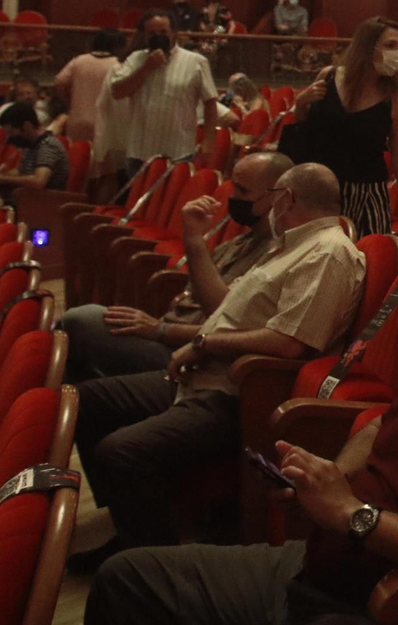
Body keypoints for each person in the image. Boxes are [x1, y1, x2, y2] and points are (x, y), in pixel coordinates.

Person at [83, 202, 398, 623]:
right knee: (124, 579)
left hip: (377, 601)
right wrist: (332, 480)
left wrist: (354, 515)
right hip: (319, 564)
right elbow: (382, 423)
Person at [72, 163, 363, 562]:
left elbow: (289, 343)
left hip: (238, 393)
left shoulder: (329, 252)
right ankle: (128, 524)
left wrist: (204, 343)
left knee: (119, 452)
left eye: (272, 196)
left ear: (287, 198)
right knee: (84, 401)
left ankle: (153, 568)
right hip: (204, 376)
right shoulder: (291, 245)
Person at [59, 152, 290, 383]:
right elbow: (194, 297)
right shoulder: (240, 242)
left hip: (192, 357)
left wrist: (159, 329)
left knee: (80, 320)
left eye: (243, 191)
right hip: (169, 333)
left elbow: (228, 324)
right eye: (233, 188)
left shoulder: (278, 258)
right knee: (75, 336)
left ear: (276, 197)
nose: (233, 197)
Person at [281, 18, 398, 236]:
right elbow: (305, 128)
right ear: (367, 46)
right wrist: (300, 103)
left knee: (366, 251)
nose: (397, 53)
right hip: (319, 187)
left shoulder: (395, 97)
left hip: (365, 193)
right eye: (390, 45)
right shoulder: (328, 76)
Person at [110, 10, 217, 173]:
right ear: (144, 35)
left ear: (173, 32)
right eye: (152, 33)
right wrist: (147, 68)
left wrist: (208, 142)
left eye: (163, 32)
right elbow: (117, 92)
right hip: (139, 152)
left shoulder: (196, 61)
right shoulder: (135, 59)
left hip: (178, 151)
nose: (158, 36)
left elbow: (210, 103)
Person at [0, 101, 70, 203]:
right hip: (27, 198)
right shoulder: (32, 145)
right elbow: (22, 171)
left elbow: (38, 181)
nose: (9, 137)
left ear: (27, 126)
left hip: (42, 204)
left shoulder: (47, 145)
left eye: (11, 132)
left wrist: (1, 178)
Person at [53, 27, 125, 144]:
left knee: (76, 153)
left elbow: (59, 82)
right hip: (106, 123)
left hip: (77, 120)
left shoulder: (79, 60)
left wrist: (69, 102)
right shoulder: (118, 64)